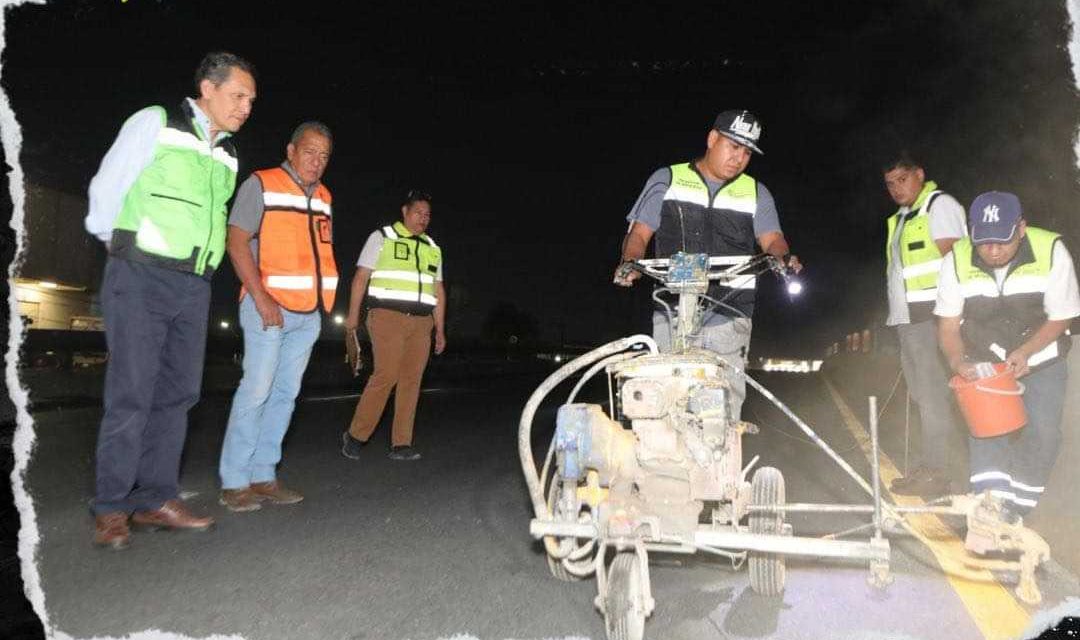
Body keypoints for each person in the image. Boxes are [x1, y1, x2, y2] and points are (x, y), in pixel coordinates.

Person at [83, 52, 257, 549]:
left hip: (194, 283)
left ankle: (156, 498)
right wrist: (124, 250)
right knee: (131, 392)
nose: (245, 107)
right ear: (207, 87)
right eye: (237, 96)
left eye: (250, 100)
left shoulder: (228, 153)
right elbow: (106, 190)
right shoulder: (156, 123)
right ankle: (112, 507)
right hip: (140, 274)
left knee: (179, 395)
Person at [613, 109, 800, 421]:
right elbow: (639, 234)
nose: (739, 158)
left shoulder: (756, 192)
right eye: (733, 146)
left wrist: (782, 258)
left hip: (731, 314)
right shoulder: (667, 178)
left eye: (747, 152)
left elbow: (773, 240)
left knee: (722, 407)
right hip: (673, 310)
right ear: (712, 139)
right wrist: (629, 263)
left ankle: (720, 465)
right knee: (668, 402)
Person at [936, 191, 1079, 523]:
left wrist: (1027, 352)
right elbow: (948, 325)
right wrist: (958, 362)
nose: (993, 251)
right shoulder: (956, 259)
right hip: (984, 358)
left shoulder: (1051, 250)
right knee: (989, 429)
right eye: (984, 243)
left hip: (1042, 355)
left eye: (1002, 241)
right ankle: (988, 511)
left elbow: (1062, 315)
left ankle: (1017, 509)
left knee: (1043, 433)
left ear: (1021, 228)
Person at [217, 122, 337, 512]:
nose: (316, 161)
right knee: (257, 389)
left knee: (286, 395)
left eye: (324, 155)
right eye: (309, 151)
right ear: (291, 149)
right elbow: (236, 242)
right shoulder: (262, 184)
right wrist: (260, 297)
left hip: (307, 314)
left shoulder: (323, 196)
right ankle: (234, 481)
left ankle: (264, 475)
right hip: (267, 306)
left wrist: (319, 306)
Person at [881, 153, 968, 496]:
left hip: (932, 319)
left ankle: (939, 472)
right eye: (890, 183)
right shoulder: (903, 217)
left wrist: (951, 317)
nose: (896, 188)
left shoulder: (938, 206)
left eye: (902, 179)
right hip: (908, 319)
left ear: (919, 174)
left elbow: (956, 259)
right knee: (922, 396)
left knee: (932, 397)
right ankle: (930, 465)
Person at [341, 191, 446, 461]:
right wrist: (352, 318)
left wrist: (440, 329)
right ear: (404, 211)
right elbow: (360, 277)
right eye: (418, 213)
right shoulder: (382, 237)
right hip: (387, 316)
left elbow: (439, 290)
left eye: (427, 215)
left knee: (411, 380)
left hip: (421, 323)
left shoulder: (432, 247)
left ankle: (401, 443)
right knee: (386, 375)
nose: (423, 219)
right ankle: (355, 435)